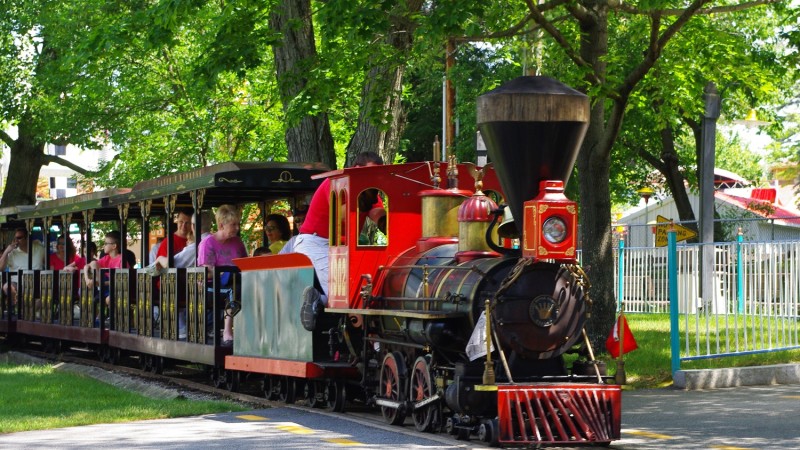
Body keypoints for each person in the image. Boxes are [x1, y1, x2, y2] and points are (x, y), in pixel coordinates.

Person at [294, 151, 383, 331]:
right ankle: (316, 299)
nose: (373, 178)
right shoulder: (334, 183)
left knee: (367, 286)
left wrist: (387, 222)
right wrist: (363, 200)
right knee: (340, 291)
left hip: (343, 247)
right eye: (369, 173)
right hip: (316, 243)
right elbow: (342, 214)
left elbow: (377, 214)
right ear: (357, 169)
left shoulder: (371, 192)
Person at [198, 204, 247, 346]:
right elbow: (207, 272)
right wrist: (225, 272)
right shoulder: (208, 243)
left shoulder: (237, 242)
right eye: (233, 225)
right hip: (211, 287)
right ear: (221, 225)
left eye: (238, 224)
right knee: (234, 289)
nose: (237, 228)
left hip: (235, 281)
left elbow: (244, 263)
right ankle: (227, 331)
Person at [0, 228, 46, 309]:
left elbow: (48, 263)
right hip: (17, 283)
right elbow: (1, 268)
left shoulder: (40, 249)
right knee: (7, 287)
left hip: (36, 282)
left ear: (27, 238)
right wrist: (6, 251)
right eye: (15, 238)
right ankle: (21, 305)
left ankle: (26, 309)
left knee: (42, 298)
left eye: (19, 238)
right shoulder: (12, 252)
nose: (16, 240)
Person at [83, 231, 125, 315]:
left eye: (106, 243)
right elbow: (86, 266)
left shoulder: (121, 260)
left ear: (114, 246)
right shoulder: (106, 258)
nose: (104, 246)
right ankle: (98, 283)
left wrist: (102, 283)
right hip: (105, 287)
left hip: (117, 288)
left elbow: (122, 281)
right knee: (93, 263)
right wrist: (87, 279)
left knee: (109, 299)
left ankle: (112, 319)